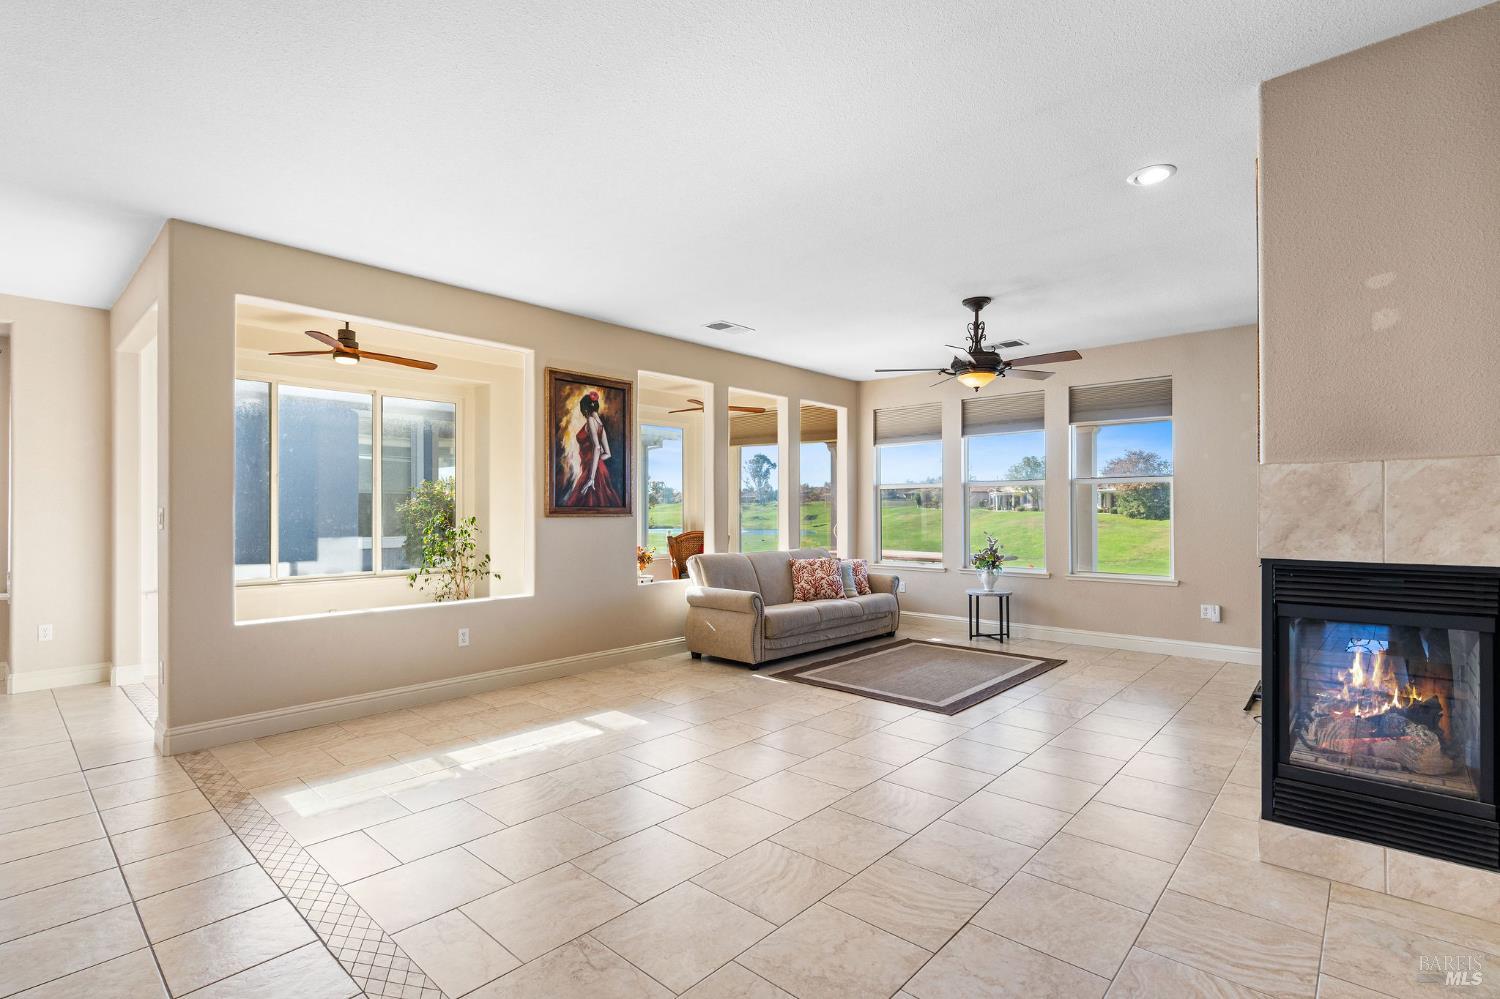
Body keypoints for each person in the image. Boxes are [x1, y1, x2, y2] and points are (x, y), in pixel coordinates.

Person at [563, 390, 622, 507]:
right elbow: (608, 453)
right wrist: (596, 462)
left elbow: (597, 448)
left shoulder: (590, 420)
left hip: (592, 472)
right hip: (596, 469)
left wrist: (591, 476)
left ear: (584, 409)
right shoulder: (600, 425)